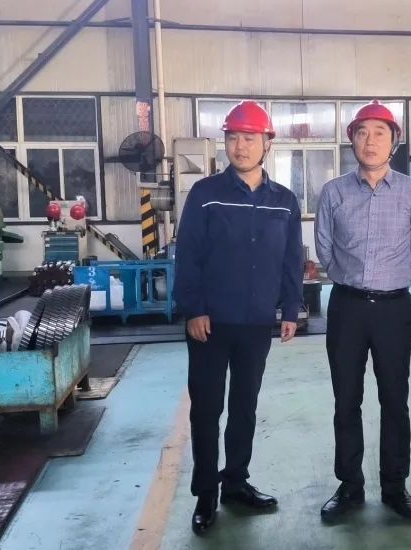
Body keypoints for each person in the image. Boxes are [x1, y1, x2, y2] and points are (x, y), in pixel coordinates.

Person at [173, 100, 304, 537]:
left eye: (250, 138)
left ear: (267, 144)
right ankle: (205, 494)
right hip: (209, 324)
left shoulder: (284, 201)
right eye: (233, 138)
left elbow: (291, 259)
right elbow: (188, 255)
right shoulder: (205, 194)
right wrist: (194, 308)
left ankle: (235, 483)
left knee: (244, 407)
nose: (240, 146)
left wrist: (290, 308)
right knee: (207, 410)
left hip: (256, 323)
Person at [314, 100, 411, 523]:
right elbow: (325, 250)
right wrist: (349, 279)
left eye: (380, 132)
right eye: (362, 132)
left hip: (394, 310)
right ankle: (350, 486)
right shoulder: (334, 192)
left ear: (394, 142)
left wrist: (390, 280)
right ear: (352, 141)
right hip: (346, 307)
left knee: (395, 400)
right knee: (346, 400)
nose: (370, 141)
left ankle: (395, 487)